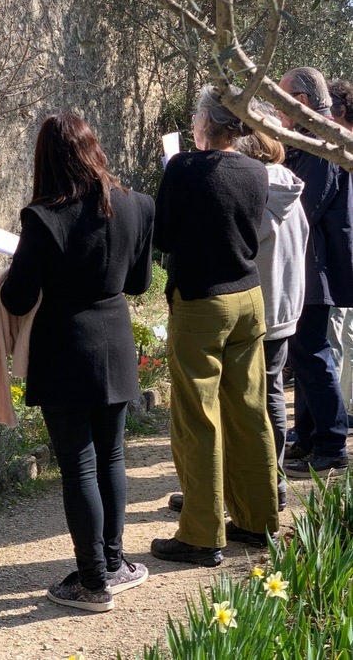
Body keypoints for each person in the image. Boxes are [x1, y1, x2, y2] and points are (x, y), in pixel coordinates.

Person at [0, 113, 155, 613]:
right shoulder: (136, 205)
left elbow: (19, 298)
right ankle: (112, 563)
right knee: (111, 458)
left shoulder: (45, 216)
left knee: (78, 467)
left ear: (48, 158)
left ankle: (91, 582)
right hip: (116, 342)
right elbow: (138, 284)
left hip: (65, 348)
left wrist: (15, 271)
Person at [151, 86, 279, 568]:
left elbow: (162, 237)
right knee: (249, 412)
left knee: (196, 418)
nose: (192, 122)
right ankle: (256, 521)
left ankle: (202, 536)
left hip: (202, 302)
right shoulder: (256, 170)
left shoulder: (183, 168)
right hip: (249, 298)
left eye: (195, 116)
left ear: (206, 121)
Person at [278, 68, 351, 476]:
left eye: (282, 101)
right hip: (305, 267)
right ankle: (307, 438)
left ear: (301, 102)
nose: (279, 112)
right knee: (304, 357)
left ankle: (331, 443)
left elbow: (304, 205)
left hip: (313, 270)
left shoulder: (323, 142)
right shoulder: (316, 139)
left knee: (314, 355)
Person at [236, 108, 309, 511]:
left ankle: (261, 487)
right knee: (273, 395)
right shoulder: (291, 185)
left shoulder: (257, 188)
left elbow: (245, 238)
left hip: (254, 306)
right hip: (283, 306)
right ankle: (273, 482)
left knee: (254, 401)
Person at [326, 79, 353, 428]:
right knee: (345, 333)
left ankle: (333, 421)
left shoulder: (338, 152)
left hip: (340, 259)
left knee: (336, 336)